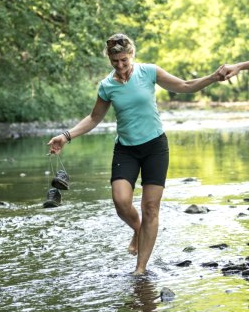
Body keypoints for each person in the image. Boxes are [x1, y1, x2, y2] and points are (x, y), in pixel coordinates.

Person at [47, 33, 226, 275]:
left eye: (123, 60)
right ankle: (138, 229)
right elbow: (94, 118)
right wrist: (65, 136)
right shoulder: (107, 85)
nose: (120, 66)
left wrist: (213, 77)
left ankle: (140, 269)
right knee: (121, 201)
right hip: (126, 149)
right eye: (114, 61)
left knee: (150, 207)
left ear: (132, 54)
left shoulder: (149, 72)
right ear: (109, 60)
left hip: (155, 147)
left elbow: (184, 86)